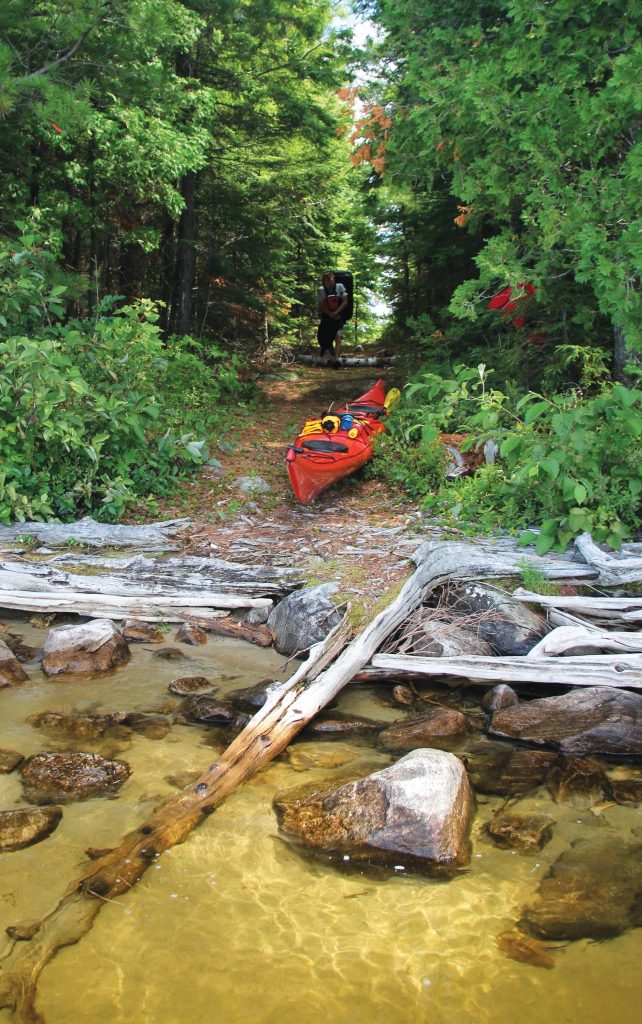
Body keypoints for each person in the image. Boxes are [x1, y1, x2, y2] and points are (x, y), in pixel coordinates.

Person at [317, 271, 348, 360]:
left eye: (331, 280)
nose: (329, 283)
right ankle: (327, 353)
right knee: (324, 336)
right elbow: (321, 306)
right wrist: (330, 314)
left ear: (334, 279)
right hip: (327, 317)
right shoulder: (321, 290)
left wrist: (337, 313)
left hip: (339, 317)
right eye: (327, 281)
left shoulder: (340, 287)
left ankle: (336, 358)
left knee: (338, 336)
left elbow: (345, 301)